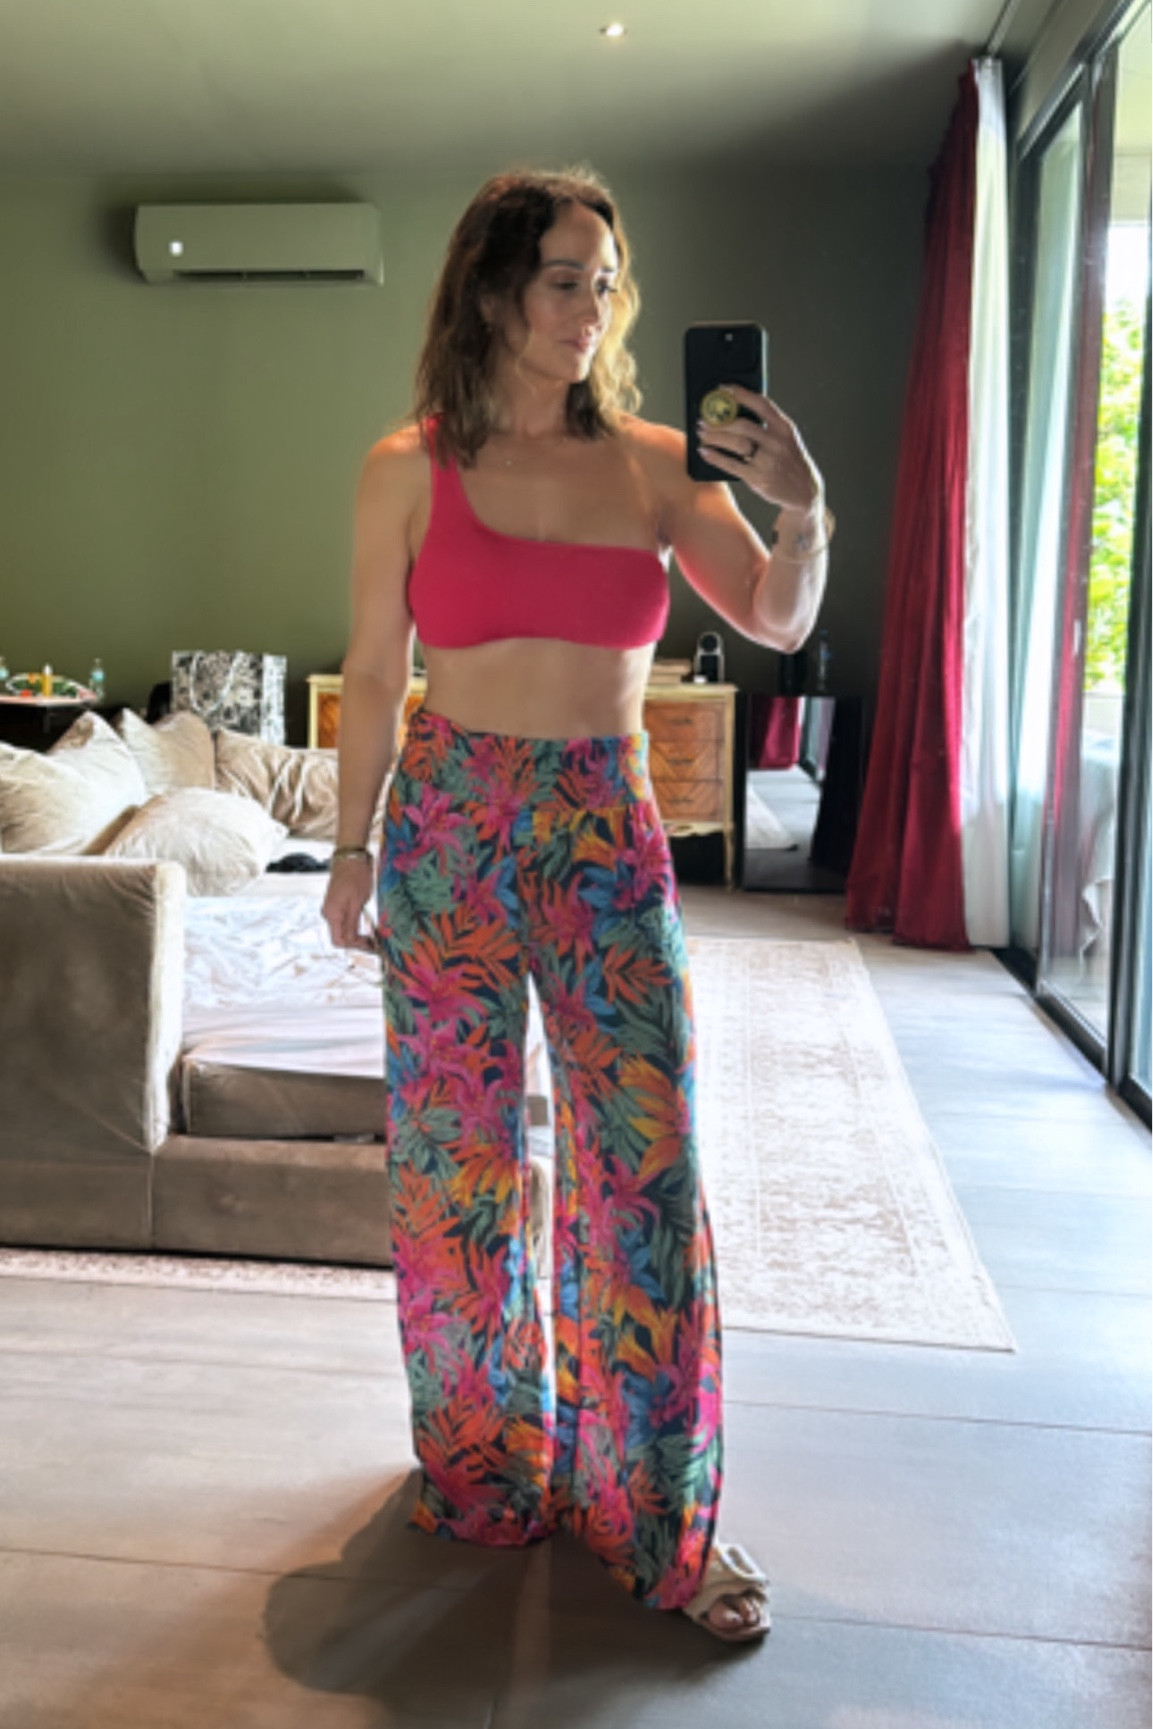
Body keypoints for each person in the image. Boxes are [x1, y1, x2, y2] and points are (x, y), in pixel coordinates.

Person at [322, 166, 830, 1644]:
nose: (591, 305)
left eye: (606, 281)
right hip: (449, 829)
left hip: (605, 833)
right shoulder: (406, 468)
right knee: (457, 1166)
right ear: (493, 290)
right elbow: (372, 672)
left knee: (642, 1167)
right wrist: (349, 850)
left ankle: (654, 1507)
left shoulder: (662, 466)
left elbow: (776, 614)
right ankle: (483, 1469)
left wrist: (804, 508)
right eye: (563, 277)